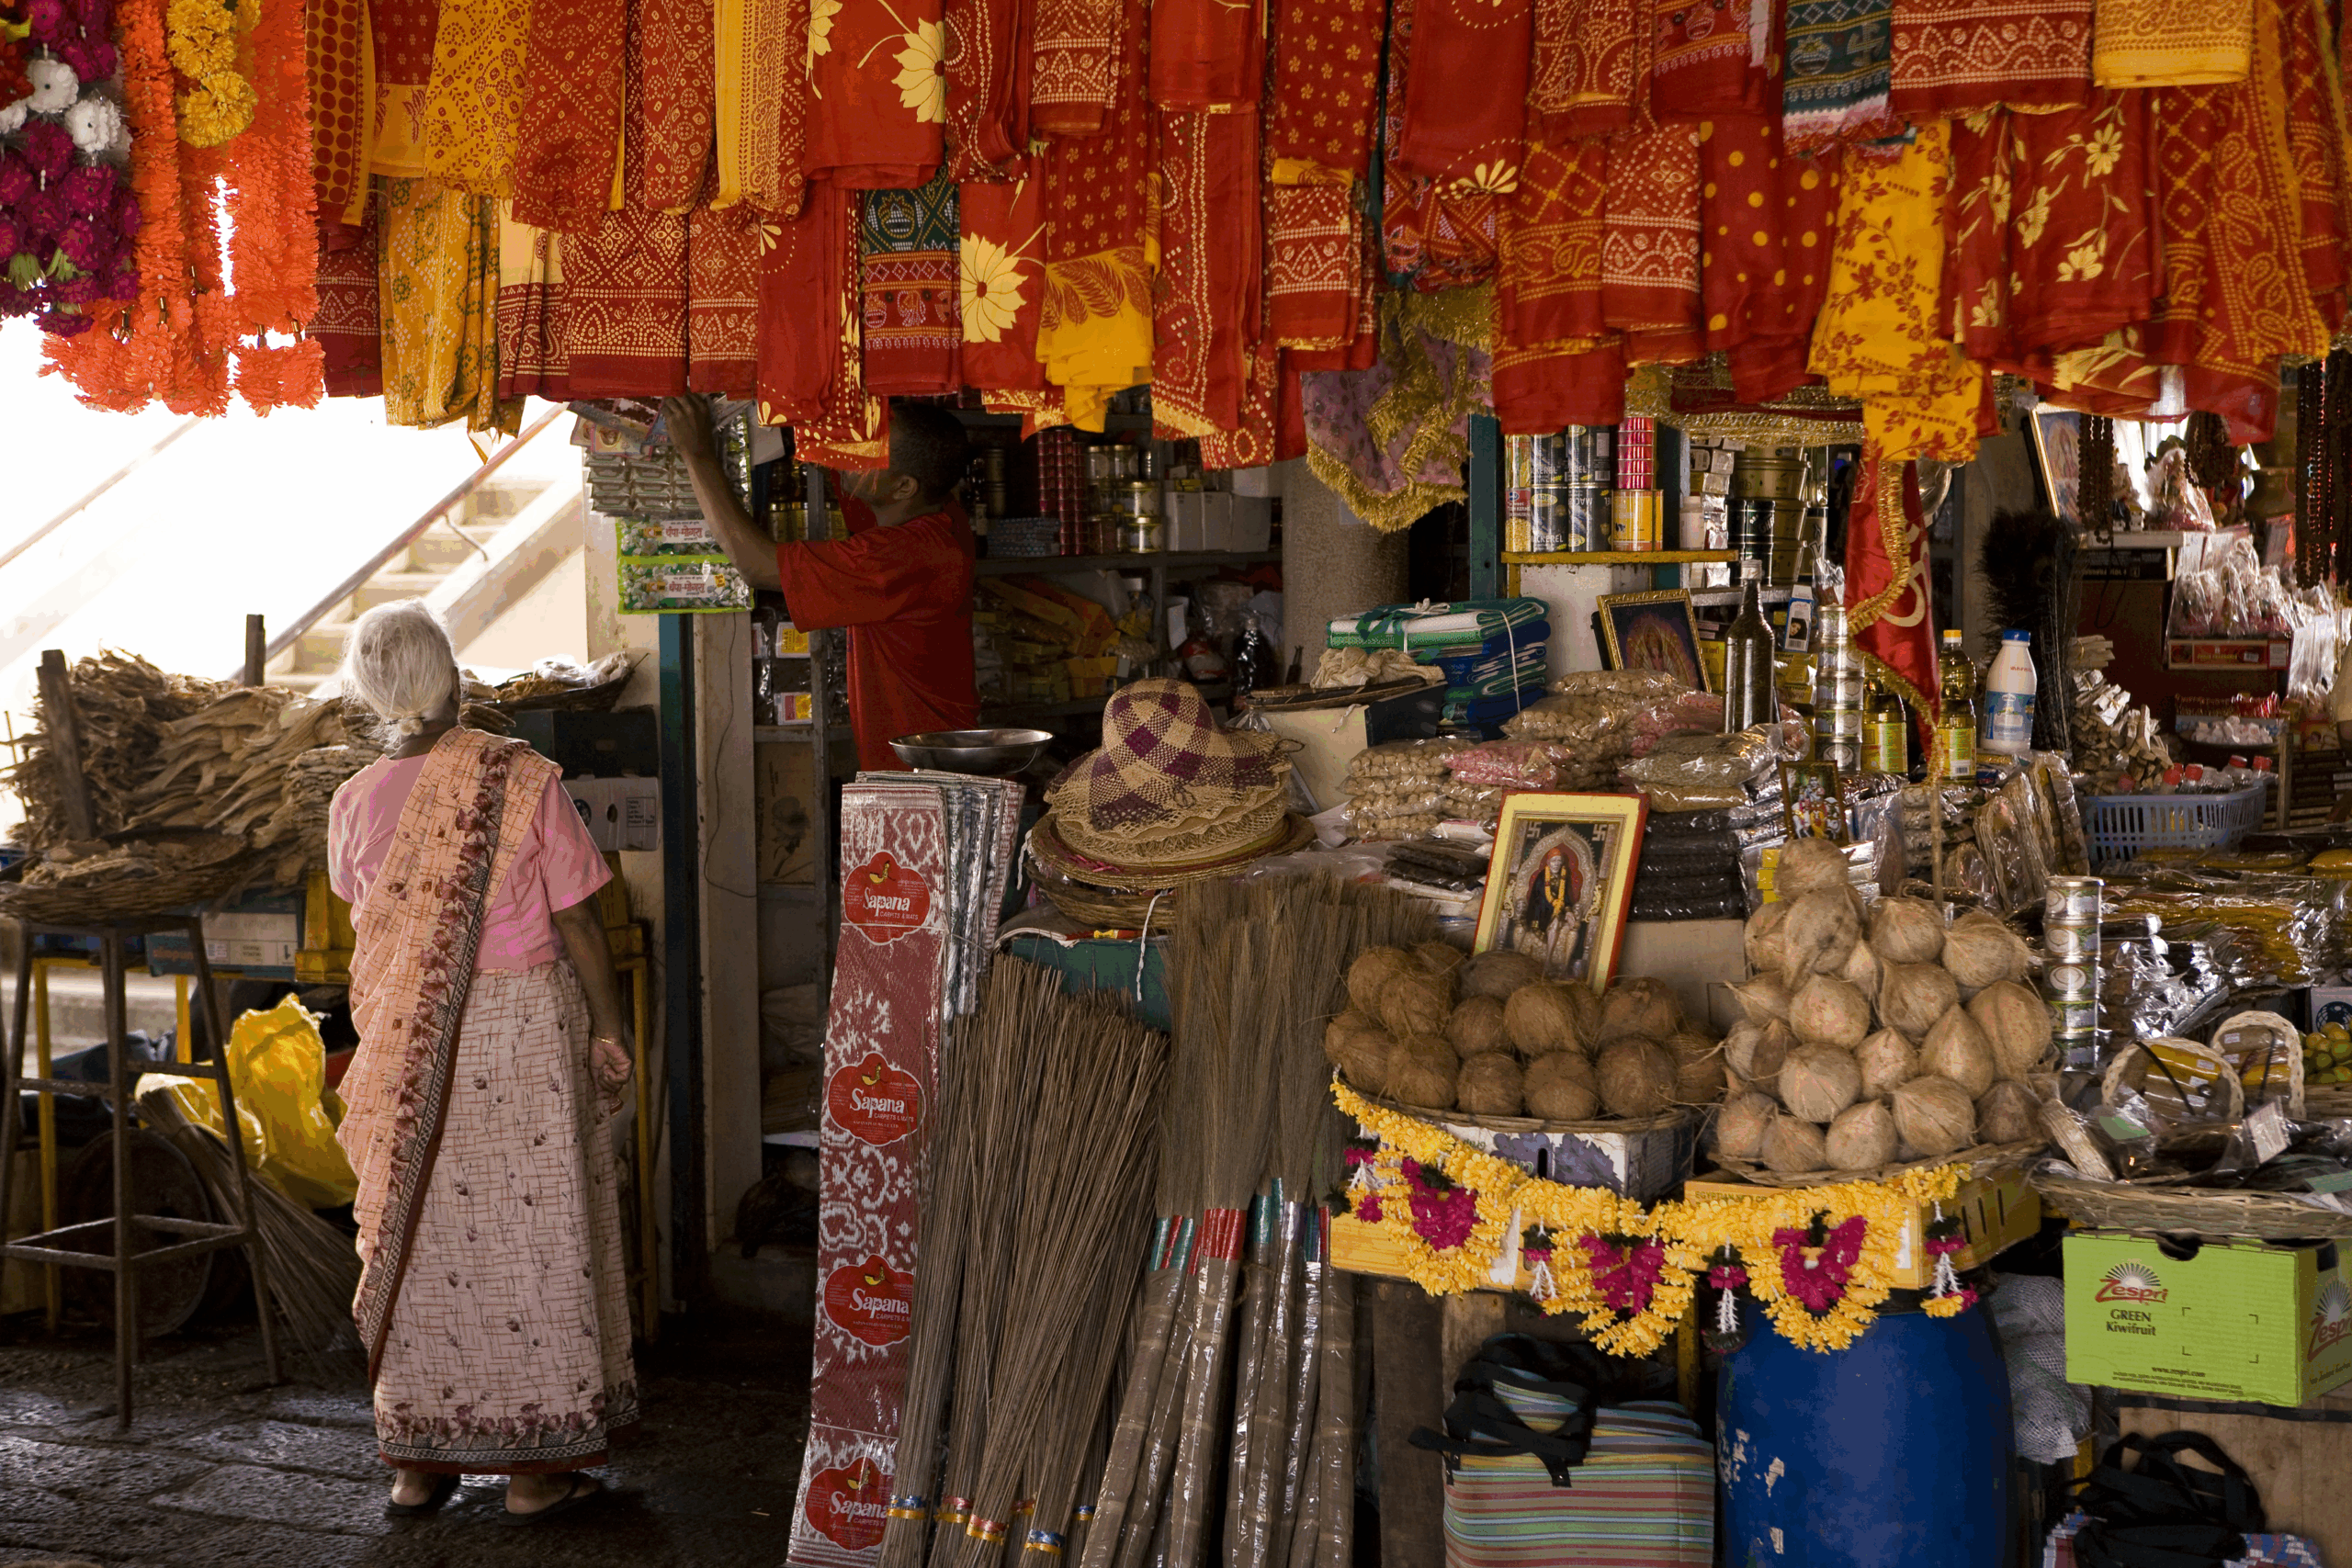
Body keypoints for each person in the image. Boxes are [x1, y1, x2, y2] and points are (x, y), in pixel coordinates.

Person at [326, 601, 637, 1523]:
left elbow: (369, 924)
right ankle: (537, 1472)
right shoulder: (522, 777)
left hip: (404, 1043)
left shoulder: (350, 800)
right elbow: (578, 918)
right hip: (518, 1030)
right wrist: (610, 1029)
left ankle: (419, 1463)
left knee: (416, 1237)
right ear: (455, 681)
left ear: (366, 692)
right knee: (528, 1238)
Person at [662, 396, 981, 771]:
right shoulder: (926, 512)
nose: (850, 451)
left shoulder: (901, 556)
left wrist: (697, 455)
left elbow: (756, 565)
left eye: (867, 449)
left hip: (927, 775)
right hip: (917, 761)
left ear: (904, 487)